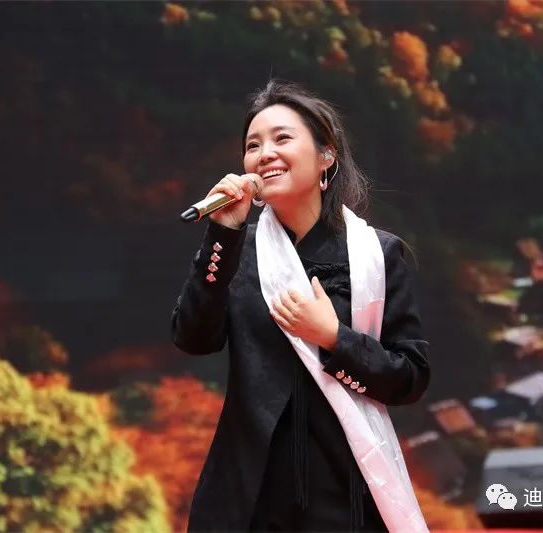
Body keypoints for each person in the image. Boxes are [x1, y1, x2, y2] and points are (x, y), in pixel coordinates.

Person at [171, 80, 430, 532]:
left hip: (343, 494)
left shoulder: (377, 254)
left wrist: (334, 338)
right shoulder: (237, 249)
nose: (265, 154)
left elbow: (410, 377)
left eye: (282, 138)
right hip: (249, 494)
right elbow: (193, 338)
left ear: (326, 155)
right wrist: (223, 234)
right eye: (253, 145)